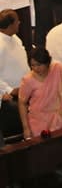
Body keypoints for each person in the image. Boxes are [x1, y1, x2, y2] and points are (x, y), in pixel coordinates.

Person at [18, 47, 62, 139]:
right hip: (39, 124)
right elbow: (22, 103)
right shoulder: (28, 80)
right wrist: (26, 128)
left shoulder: (59, 70)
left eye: (39, 65)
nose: (35, 68)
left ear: (47, 63)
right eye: (32, 65)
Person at [0, 9, 30, 137]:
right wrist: (8, 89)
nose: (20, 22)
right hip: (11, 100)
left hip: (24, 92)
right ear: (10, 25)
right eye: (17, 20)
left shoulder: (15, 38)